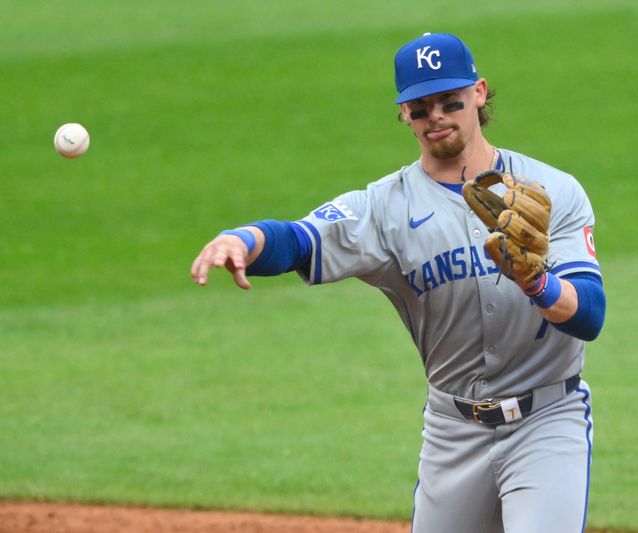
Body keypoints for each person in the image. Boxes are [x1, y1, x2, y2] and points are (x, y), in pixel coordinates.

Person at [191, 32, 605, 533]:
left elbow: (589, 314)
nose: (437, 117)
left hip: (546, 422)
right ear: (403, 114)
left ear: (478, 93)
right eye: (419, 107)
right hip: (454, 431)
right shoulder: (386, 208)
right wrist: (243, 240)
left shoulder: (552, 190)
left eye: (450, 101)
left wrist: (536, 282)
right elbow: (299, 239)